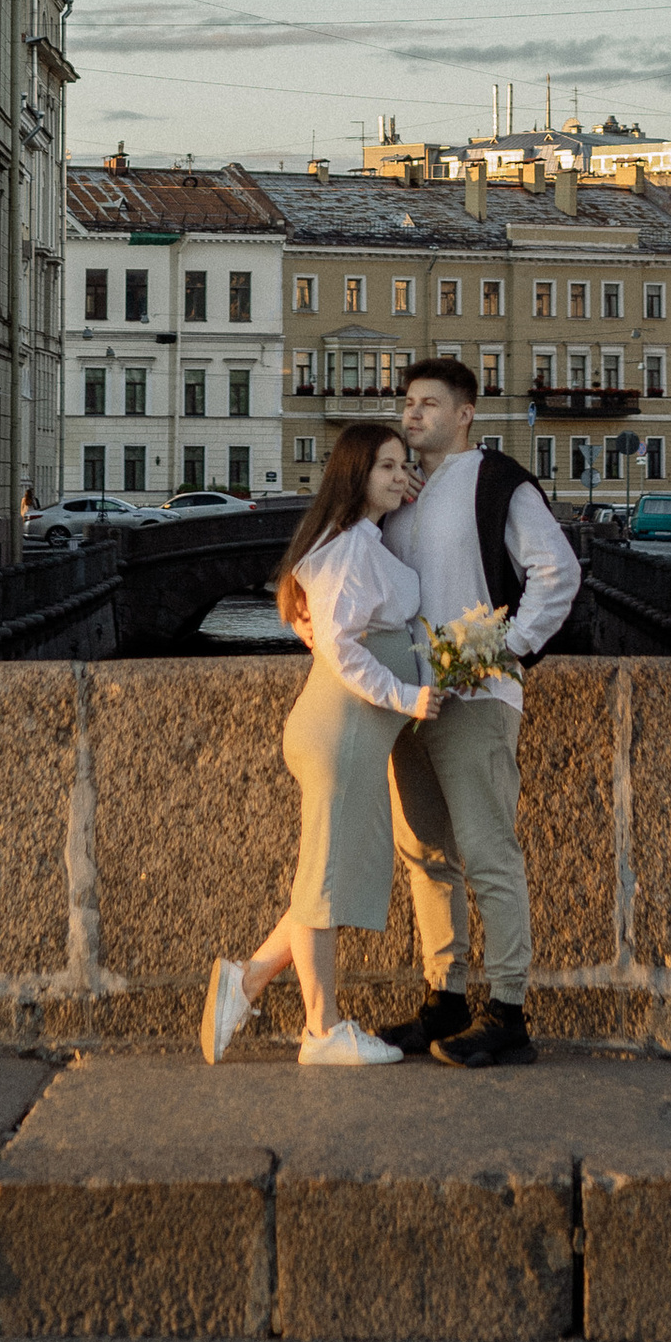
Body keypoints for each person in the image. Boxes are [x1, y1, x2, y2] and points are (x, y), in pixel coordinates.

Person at [200, 421, 444, 1070]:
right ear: (354, 475)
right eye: (386, 467)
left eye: (404, 466)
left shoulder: (355, 542)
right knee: (325, 884)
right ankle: (322, 1030)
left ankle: (247, 982)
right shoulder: (348, 550)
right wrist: (407, 696)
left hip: (347, 732)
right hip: (344, 731)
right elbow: (337, 647)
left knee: (325, 881)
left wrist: (413, 504)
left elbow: (312, 617)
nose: (399, 477)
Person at [379, 356, 580, 1068]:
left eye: (428, 405)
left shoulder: (497, 482)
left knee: (490, 854)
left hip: (476, 698)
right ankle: (445, 998)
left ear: (465, 414)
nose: (413, 415)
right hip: (409, 701)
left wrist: (506, 649)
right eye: (408, 403)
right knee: (425, 854)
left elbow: (558, 570)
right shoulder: (402, 492)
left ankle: (509, 1012)